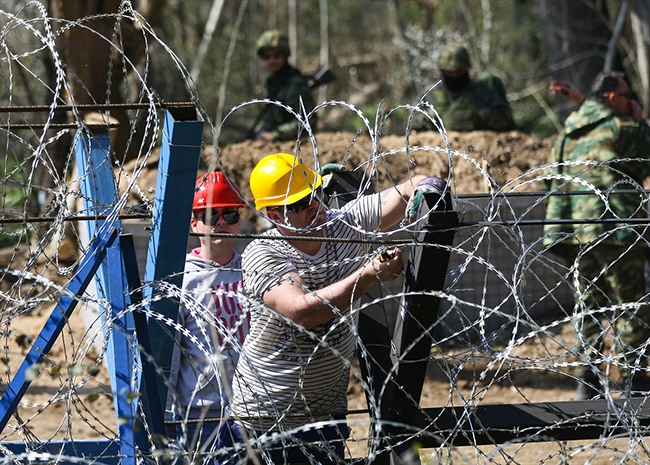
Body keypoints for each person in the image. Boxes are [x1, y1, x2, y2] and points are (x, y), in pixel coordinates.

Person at [217, 153, 444, 463]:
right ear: (274, 214)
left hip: (326, 416)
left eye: (315, 194)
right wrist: (367, 275)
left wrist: (429, 188)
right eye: (298, 204)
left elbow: (407, 190)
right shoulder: (262, 252)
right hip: (265, 422)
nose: (312, 205)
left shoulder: (345, 224)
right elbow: (301, 312)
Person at [543, 72, 650, 400]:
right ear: (613, 98)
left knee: (587, 305)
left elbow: (550, 179)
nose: (630, 100)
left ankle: (586, 381)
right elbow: (645, 158)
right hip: (616, 227)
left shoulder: (567, 133)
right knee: (628, 303)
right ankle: (635, 380)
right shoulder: (622, 127)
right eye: (626, 94)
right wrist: (640, 119)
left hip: (578, 229)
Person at [165, 172, 250, 458]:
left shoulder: (254, 269)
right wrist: (166, 419)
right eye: (212, 216)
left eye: (230, 215)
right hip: (201, 416)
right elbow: (170, 355)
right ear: (194, 223)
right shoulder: (183, 278)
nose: (222, 224)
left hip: (252, 409)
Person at [417, 43, 514, 132]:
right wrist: (427, 119)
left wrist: (483, 116)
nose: (454, 76)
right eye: (449, 72)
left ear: (466, 69)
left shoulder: (482, 91)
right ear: (442, 71)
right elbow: (413, 123)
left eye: (459, 72)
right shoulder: (431, 94)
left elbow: (505, 119)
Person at [253, 30, 317, 142]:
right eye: (267, 57)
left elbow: (307, 121)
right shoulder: (272, 82)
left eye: (276, 55)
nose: (271, 60)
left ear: (285, 55)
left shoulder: (296, 84)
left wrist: (275, 135)